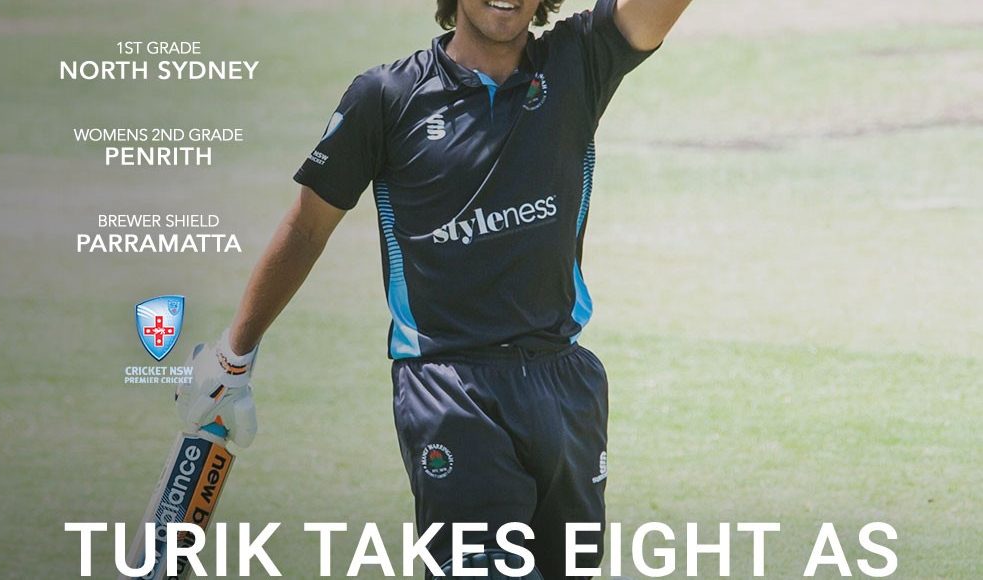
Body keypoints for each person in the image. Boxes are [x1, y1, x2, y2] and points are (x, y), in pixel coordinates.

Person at [178, 0, 691, 576]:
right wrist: (234, 354)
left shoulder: (578, 62)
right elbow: (306, 228)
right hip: (450, 388)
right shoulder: (386, 97)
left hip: (564, 386)